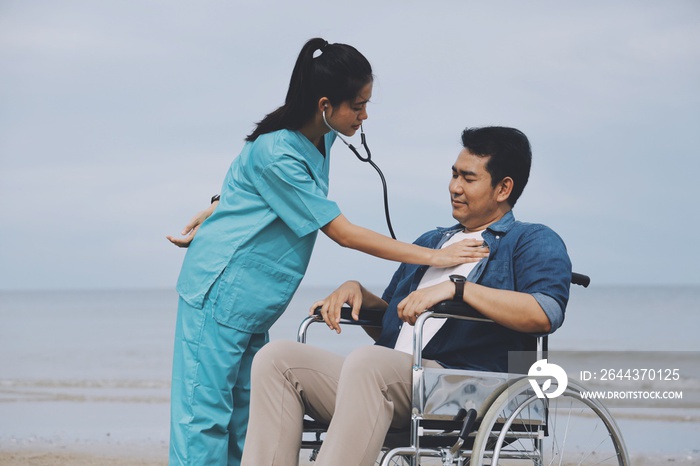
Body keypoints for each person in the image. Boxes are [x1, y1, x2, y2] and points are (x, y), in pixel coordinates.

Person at [167, 38, 487, 466]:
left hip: (252, 304)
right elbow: (343, 233)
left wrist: (219, 204)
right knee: (202, 421)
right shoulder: (277, 151)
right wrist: (435, 257)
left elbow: (248, 186)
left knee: (245, 424)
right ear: (324, 105)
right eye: (357, 105)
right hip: (218, 289)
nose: (365, 115)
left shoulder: (321, 139)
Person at [240, 126, 573, 466]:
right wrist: (361, 296)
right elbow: (396, 325)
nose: (454, 187)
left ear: (503, 188)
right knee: (276, 359)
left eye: (468, 179)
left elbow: (545, 313)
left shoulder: (530, 240)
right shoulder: (431, 242)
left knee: (369, 364)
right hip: (392, 380)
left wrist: (460, 289)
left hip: (468, 386)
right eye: (454, 174)